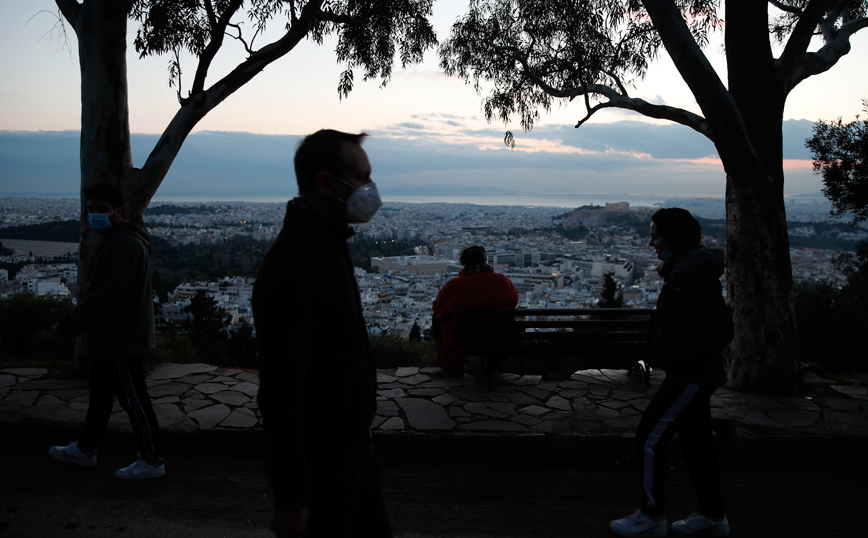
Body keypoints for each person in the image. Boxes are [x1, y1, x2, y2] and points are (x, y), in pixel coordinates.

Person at [252, 129, 391, 538]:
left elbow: (338, 353)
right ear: (325, 183)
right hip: (324, 466)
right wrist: (292, 497)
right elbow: (281, 390)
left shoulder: (328, 244)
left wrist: (358, 418)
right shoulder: (294, 267)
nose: (370, 190)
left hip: (353, 449)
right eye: (361, 178)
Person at [610, 208, 734, 537]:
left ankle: (651, 515)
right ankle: (712, 517)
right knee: (697, 444)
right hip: (693, 371)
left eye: (655, 236)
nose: (650, 242)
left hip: (690, 374)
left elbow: (721, 328)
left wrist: (684, 358)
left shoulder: (691, 277)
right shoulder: (682, 271)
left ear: (673, 238)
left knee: (649, 438)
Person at [49, 184, 164, 480]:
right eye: (90, 209)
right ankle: (85, 449)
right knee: (101, 395)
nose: (94, 215)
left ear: (118, 210)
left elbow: (104, 298)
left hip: (120, 338)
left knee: (134, 398)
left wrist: (67, 327)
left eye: (101, 208)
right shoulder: (118, 240)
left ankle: (152, 459)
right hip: (111, 336)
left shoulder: (123, 245)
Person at [432, 245, 519, 375]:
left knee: (436, 318)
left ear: (463, 262)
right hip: (499, 338)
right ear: (485, 260)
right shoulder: (503, 281)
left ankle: (452, 362)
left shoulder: (454, 285)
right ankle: (490, 366)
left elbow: (438, 309)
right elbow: (513, 303)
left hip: (463, 339)